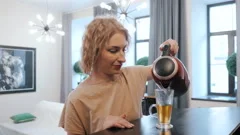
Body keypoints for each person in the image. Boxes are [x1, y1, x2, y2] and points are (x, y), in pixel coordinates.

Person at [59, 16, 179, 135]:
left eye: (124, 49)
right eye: (113, 50)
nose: (123, 59)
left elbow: (161, 67)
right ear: (93, 51)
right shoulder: (77, 99)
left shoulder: (134, 75)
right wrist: (101, 129)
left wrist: (169, 50)